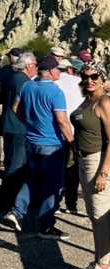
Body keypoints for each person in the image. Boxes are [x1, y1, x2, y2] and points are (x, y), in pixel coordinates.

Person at [4, 56, 76, 240]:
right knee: (53, 185)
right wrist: (72, 143)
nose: (59, 71)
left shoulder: (28, 86)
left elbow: (15, 108)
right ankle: (46, 226)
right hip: (51, 144)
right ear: (51, 71)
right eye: (58, 69)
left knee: (33, 178)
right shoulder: (55, 91)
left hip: (32, 142)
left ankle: (17, 211)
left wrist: (28, 124)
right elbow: (62, 120)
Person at [71, 61, 110, 269]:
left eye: (94, 76)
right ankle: (100, 261)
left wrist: (103, 173)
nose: (89, 80)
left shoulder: (104, 101)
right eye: (85, 76)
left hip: (97, 161)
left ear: (102, 78)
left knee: (100, 215)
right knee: (94, 216)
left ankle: (104, 267)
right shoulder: (87, 100)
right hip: (84, 161)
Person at [0, 52, 36, 210]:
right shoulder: (22, 80)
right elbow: (21, 105)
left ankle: (14, 199)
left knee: (16, 164)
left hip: (13, 125)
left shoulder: (16, 78)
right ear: (28, 66)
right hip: (17, 127)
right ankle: (6, 201)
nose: (37, 68)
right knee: (16, 165)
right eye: (35, 65)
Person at [56, 58, 86, 215]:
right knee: (73, 169)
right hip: (74, 130)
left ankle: (53, 203)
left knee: (55, 168)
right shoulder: (77, 82)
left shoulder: (52, 82)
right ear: (69, 69)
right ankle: (71, 204)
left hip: (55, 130)